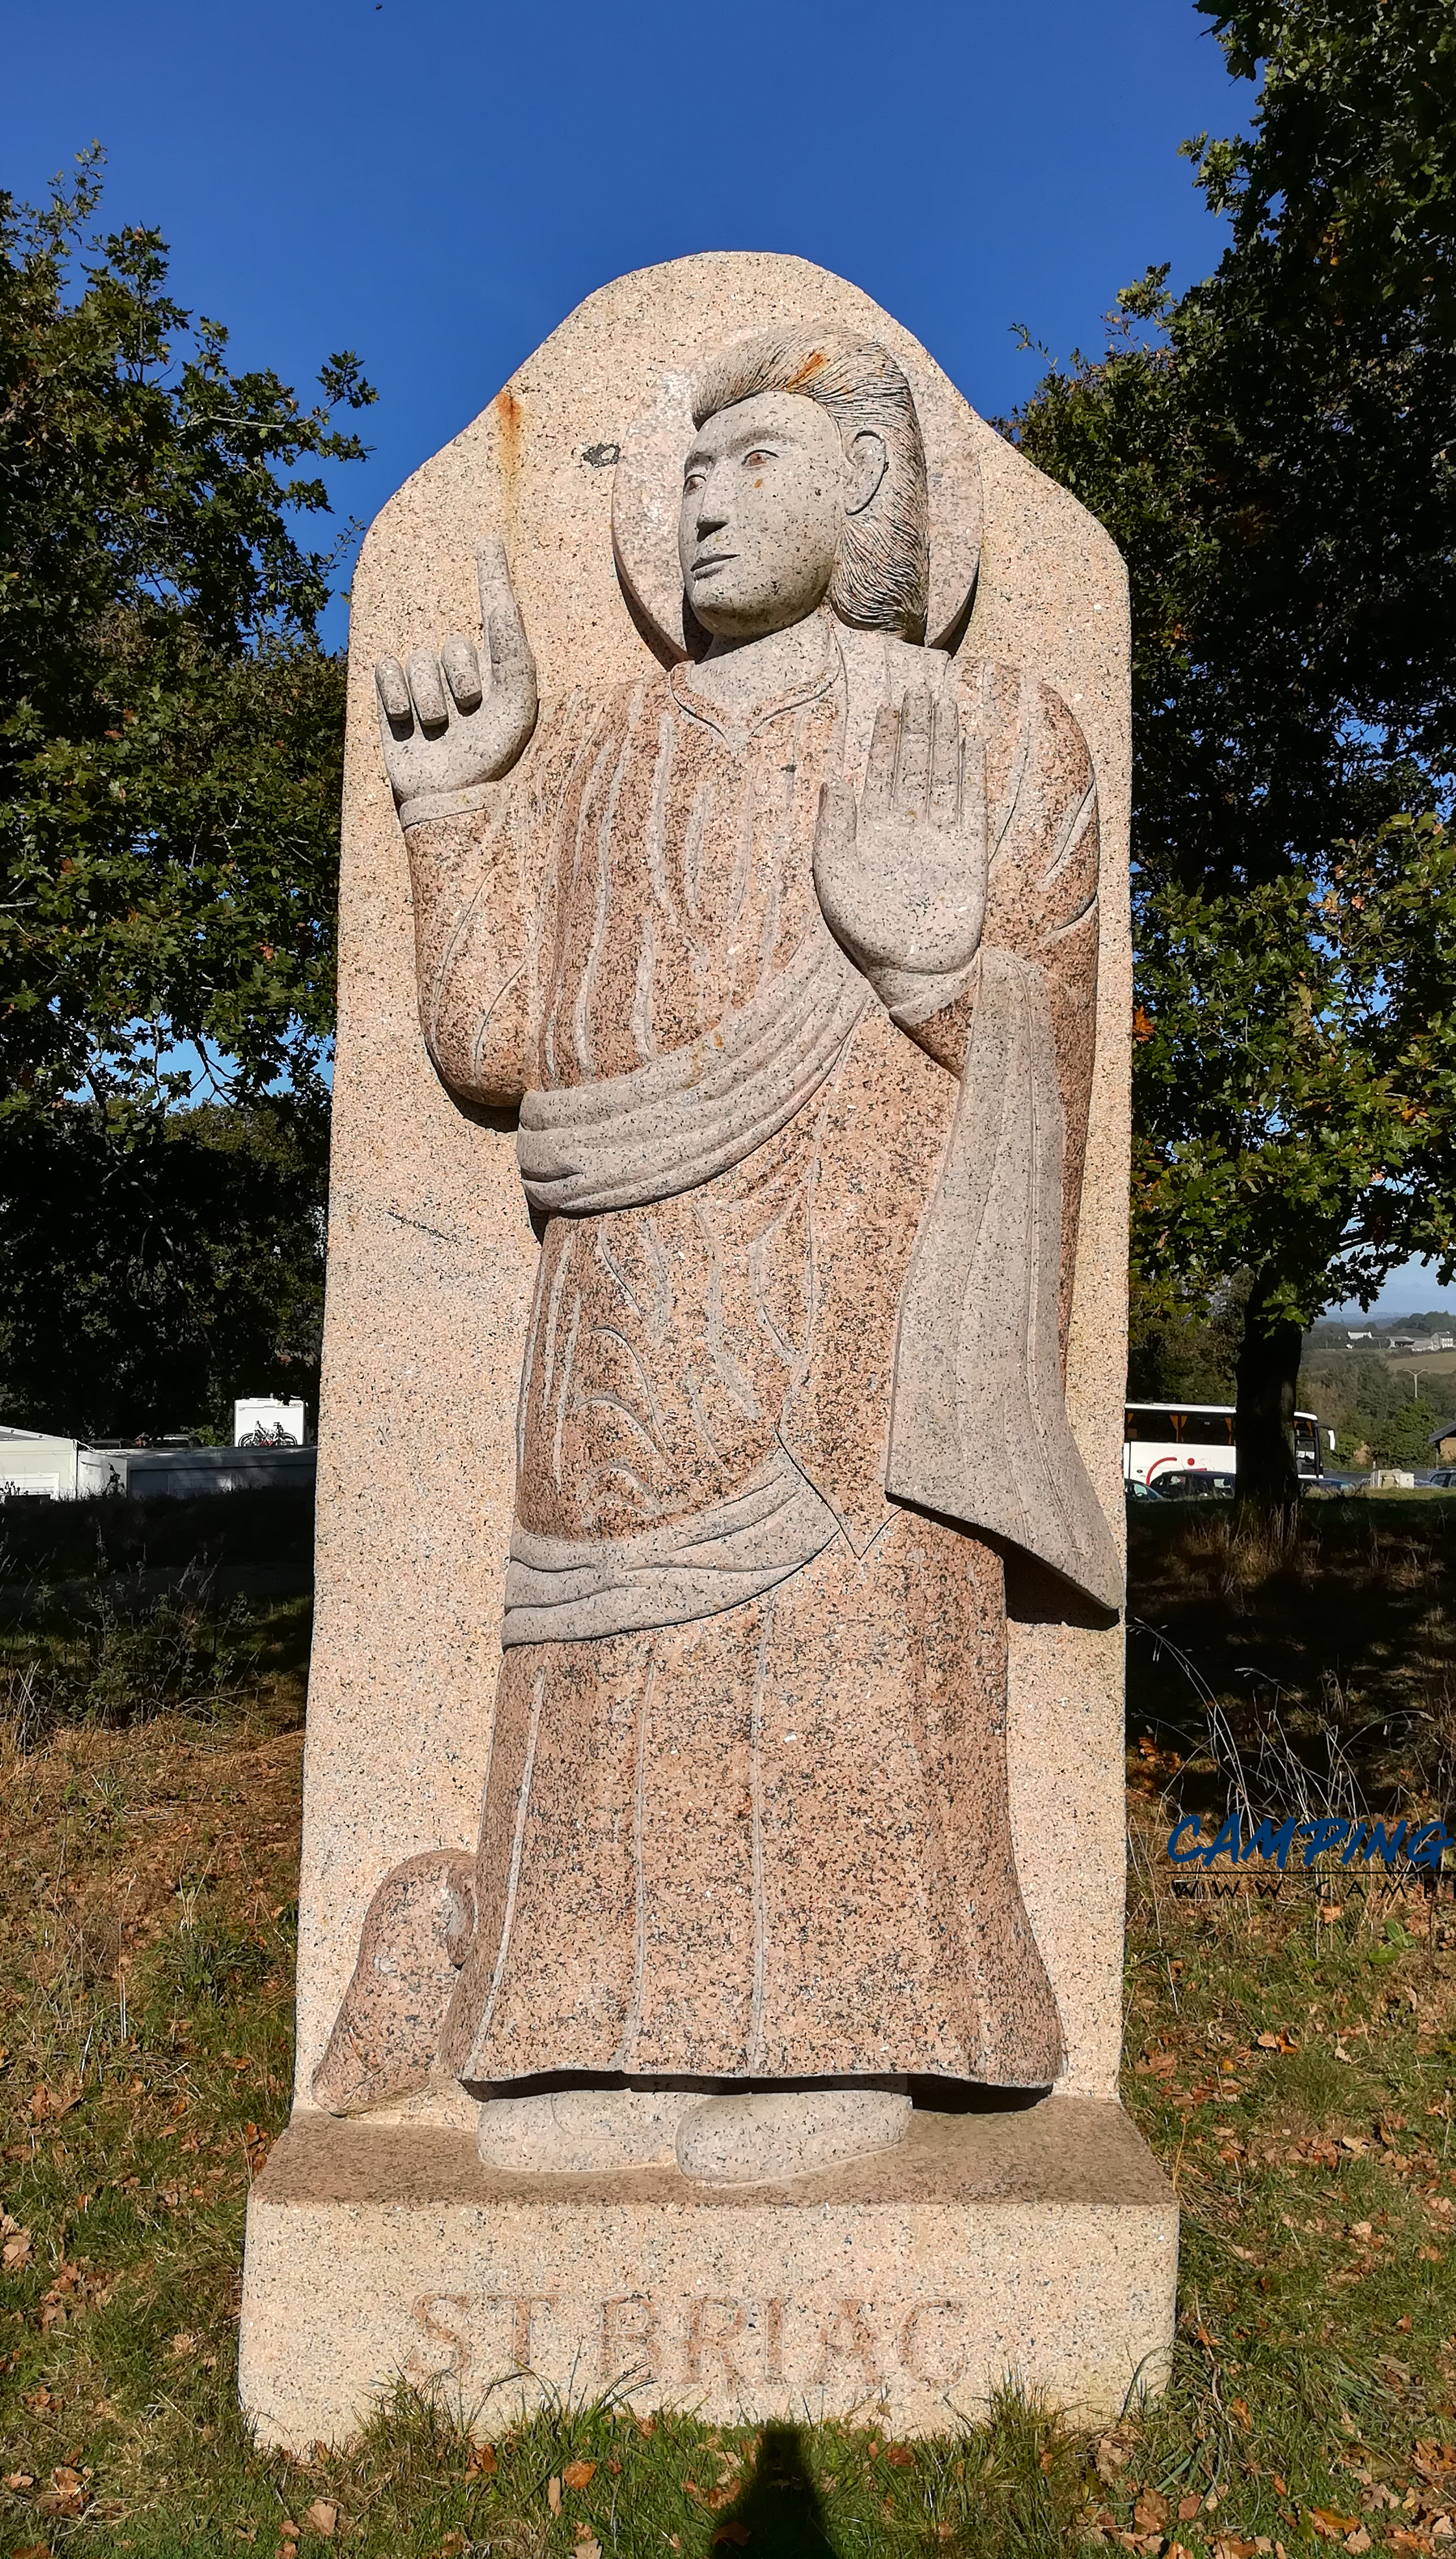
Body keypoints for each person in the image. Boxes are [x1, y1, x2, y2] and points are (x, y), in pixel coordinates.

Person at [315, 324, 1119, 2181]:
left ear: (869, 490)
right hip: (613, 1327)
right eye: (684, 477)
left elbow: (1049, 1040)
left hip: (847, 1315)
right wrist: (454, 808)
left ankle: (853, 2042)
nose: (702, 507)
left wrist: (932, 962)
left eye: (754, 464)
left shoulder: (989, 731)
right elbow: (499, 1053)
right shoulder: (599, 756)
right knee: (611, 1692)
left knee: (833, 1670)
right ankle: (593, 2037)